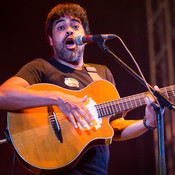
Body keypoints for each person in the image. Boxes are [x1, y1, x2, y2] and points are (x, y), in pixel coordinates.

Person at [0, 3, 158, 175]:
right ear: (51, 40)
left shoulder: (101, 73)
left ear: (85, 36)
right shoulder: (41, 68)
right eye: (61, 27)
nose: (69, 31)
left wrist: (147, 123)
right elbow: (3, 95)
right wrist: (58, 98)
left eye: (75, 26)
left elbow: (114, 127)